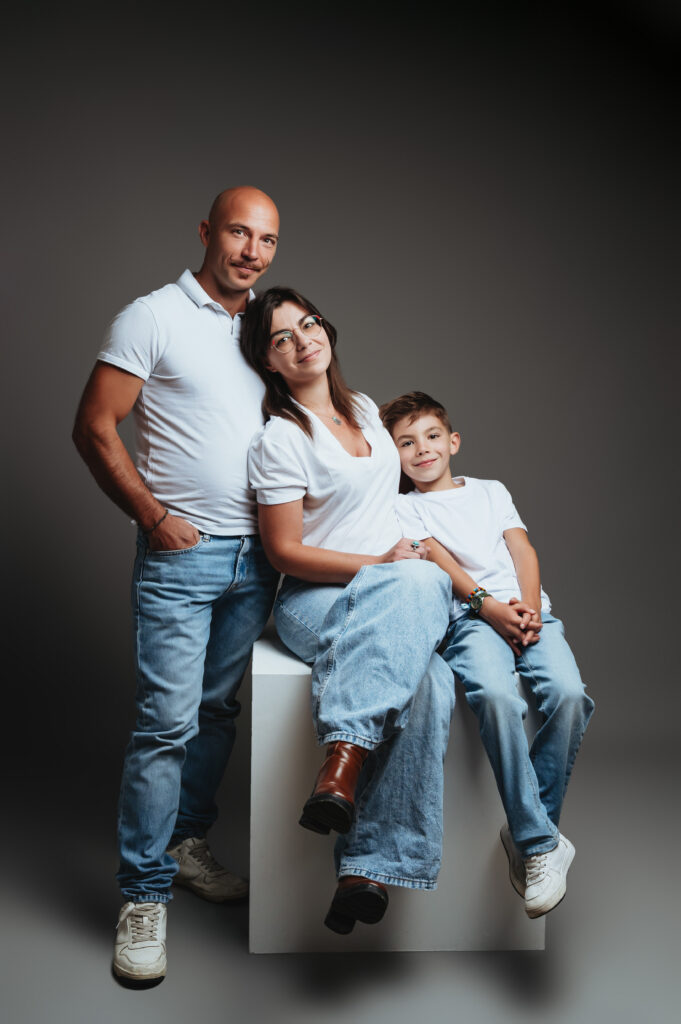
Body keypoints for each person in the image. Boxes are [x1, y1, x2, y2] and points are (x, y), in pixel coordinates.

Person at [72, 187, 281, 980]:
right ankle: (144, 896)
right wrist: (153, 515)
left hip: (258, 558)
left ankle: (188, 844)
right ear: (205, 232)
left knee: (215, 711)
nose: (251, 251)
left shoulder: (268, 323)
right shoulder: (151, 316)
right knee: (165, 725)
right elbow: (94, 426)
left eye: (265, 239)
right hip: (181, 557)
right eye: (238, 232)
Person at [240, 288, 455, 935]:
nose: (302, 339)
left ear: (324, 328)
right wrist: (380, 567)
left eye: (307, 323)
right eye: (282, 337)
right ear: (269, 360)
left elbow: (401, 495)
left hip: (393, 586)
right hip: (316, 598)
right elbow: (283, 551)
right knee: (417, 585)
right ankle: (350, 755)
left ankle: (358, 861)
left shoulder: (363, 409)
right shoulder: (279, 438)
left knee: (432, 682)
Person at [379, 390, 595, 919]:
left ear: (452, 441)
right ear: (394, 455)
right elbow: (443, 563)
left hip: (527, 612)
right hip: (471, 622)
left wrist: (531, 610)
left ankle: (525, 827)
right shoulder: (402, 507)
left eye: (431, 436)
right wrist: (489, 608)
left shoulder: (491, 491)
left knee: (570, 696)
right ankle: (540, 845)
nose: (422, 449)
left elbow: (522, 548)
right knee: (497, 697)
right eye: (406, 443)